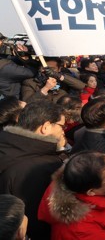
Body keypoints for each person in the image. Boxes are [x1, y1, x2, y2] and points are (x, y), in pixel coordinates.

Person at [0, 101, 68, 239]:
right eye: (62, 126)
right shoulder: (41, 167)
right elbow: (40, 222)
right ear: (46, 127)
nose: (63, 131)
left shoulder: (6, 143)